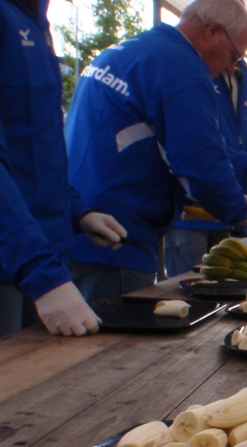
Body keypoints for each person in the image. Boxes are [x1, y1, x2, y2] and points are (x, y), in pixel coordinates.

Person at [66, 0, 247, 301]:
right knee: (115, 341)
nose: (231, 68)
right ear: (213, 31)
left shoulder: (134, 50)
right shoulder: (181, 66)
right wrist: (238, 208)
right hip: (117, 237)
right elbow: (198, 157)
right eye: (234, 55)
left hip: (80, 221)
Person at [0, 0, 128, 337]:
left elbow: (37, 148)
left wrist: (78, 212)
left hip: (40, 260)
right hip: (18, 266)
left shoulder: (34, 22)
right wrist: (41, 274)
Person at [164, 58, 247, 277]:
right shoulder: (193, 72)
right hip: (190, 216)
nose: (231, 60)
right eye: (232, 49)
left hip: (227, 214)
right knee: (186, 294)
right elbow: (200, 146)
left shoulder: (243, 76)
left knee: (217, 293)